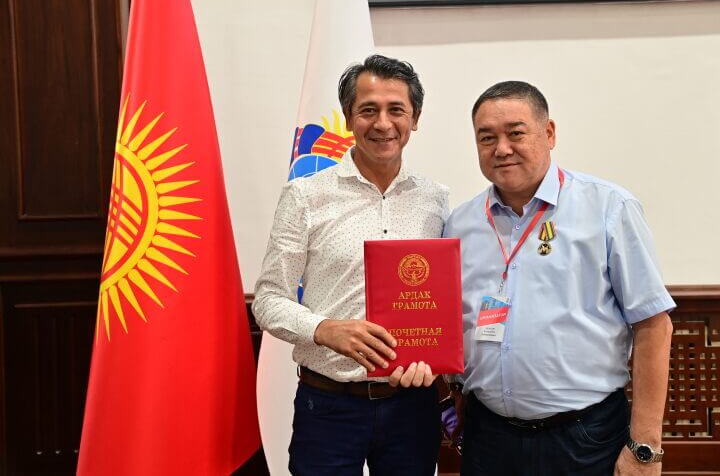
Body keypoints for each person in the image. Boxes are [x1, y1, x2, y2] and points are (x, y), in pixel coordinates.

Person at [444, 81, 675, 475]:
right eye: (487, 138)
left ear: (549, 133)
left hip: (584, 438)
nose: (502, 148)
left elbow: (654, 325)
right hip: (489, 438)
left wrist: (646, 447)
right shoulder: (460, 224)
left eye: (515, 133)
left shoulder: (608, 208)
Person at [252, 55, 448, 476]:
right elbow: (267, 299)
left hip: (412, 407)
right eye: (368, 110)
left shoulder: (436, 200)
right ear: (348, 118)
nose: (383, 123)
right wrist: (324, 329)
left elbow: (442, 298)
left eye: (396, 110)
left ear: (415, 119)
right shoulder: (305, 196)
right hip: (328, 405)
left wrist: (434, 358)